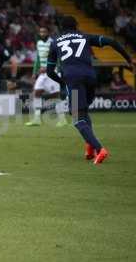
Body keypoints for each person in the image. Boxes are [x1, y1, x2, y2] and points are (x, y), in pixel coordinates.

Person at [47, 15, 135, 165]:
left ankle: (100, 149)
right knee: (84, 112)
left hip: (73, 80)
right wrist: (128, 59)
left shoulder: (56, 42)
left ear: (61, 28)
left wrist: (62, 82)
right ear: (76, 26)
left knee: (77, 118)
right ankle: (89, 149)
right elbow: (112, 42)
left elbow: (50, 71)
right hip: (91, 77)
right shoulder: (85, 36)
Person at [25, 26, 68, 127]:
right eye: (41, 32)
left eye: (44, 32)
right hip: (43, 73)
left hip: (53, 73)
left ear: (48, 33)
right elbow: (38, 58)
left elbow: (58, 58)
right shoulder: (39, 43)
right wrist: (34, 72)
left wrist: (50, 68)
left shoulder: (53, 43)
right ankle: (36, 119)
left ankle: (62, 119)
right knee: (37, 92)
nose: (42, 34)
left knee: (56, 95)